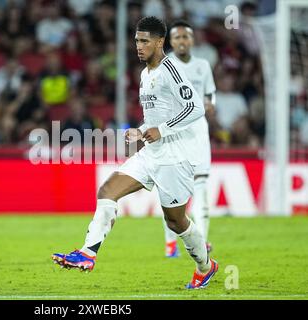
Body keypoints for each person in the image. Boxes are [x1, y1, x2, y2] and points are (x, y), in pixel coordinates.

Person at [52, 16, 218, 289]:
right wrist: (141, 131)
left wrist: (162, 130)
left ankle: (205, 266)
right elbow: (156, 115)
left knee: (176, 221)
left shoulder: (170, 69)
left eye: (144, 41)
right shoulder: (145, 74)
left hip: (175, 158)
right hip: (150, 154)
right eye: (136, 41)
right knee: (107, 191)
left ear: (160, 42)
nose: (138, 46)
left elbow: (196, 108)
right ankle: (87, 253)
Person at [162, 20, 217, 258]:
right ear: (170, 42)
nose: (182, 41)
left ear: (192, 40)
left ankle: (202, 240)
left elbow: (211, 94)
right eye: (177, 38)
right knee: (172, 188)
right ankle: (170, 242)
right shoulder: (164, 65)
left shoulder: (203, 65)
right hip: (174, 130)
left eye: (185, 37)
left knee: (201, 183)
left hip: (198, 129)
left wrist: (210, 105)